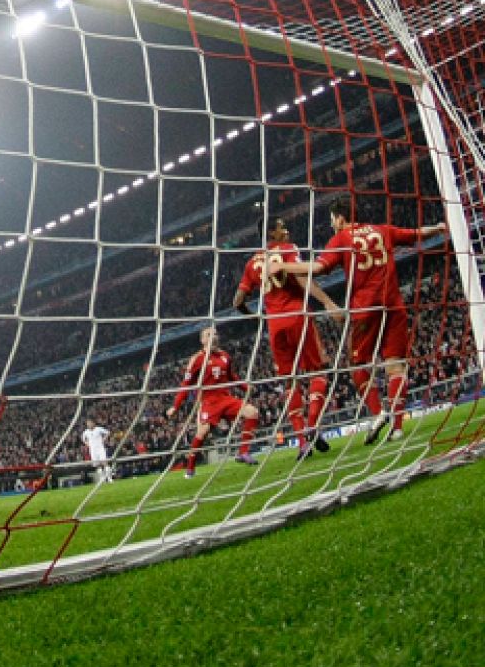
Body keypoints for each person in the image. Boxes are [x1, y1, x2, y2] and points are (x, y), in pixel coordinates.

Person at [271, 201, 446, 443]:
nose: (332, 224)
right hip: (394, 305)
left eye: (333, 219)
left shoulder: (342, 238)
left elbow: (319, 268)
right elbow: (417, 233)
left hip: (366, 308)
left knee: (357, 365)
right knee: (395, 366)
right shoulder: (382, 230)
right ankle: (397, 428)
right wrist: (437, 228)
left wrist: (283, 265)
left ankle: (378, 412)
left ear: (341, 218)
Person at [234, 216, 344, 458]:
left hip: (275, 326)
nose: (286, 231)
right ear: (272, 233)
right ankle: (313, 424)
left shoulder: (252, 262)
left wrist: (253, 317)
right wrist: (327, 302)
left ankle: (302, 440)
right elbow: (303, 278)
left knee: (289, 381)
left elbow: (238, 301)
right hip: (298, 317)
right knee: (318, 372)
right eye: (281, 227)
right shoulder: (287, 250)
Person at [165, 325, 261, 477]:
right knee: (202, 433)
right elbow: (186, 385)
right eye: (209, 335)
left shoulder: (225, 356)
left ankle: (243, 452)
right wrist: (175, 406)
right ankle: (190, 468)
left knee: (253, 413)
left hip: (225, 398)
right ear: (202, 340)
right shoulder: (196, 359)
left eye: (215, 334)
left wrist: (245, 388)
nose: (213, 337)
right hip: (208, 402)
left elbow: (232, 377)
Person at [81, 419, 112, 484]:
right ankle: (102, 479)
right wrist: (87, 444)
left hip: (100, 449)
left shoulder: (98, 429)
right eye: (87, 424)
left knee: (105, 463)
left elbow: (108, 432)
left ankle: (109, 478)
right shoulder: (86, 432)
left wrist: (104, 439)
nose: (89, 425)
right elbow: (83, 439)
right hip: (92, 450)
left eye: (90, 423)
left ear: (93, 423)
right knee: (97, 465)